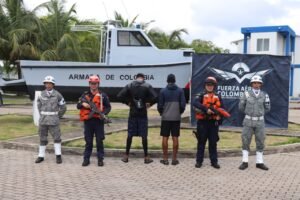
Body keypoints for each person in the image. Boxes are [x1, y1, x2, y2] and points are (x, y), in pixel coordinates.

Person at [117, 73, 157, 164]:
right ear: (143, 78)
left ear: (136, 78)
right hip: (142, 114)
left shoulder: (130, 85)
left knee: (130, 135)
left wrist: (128, 102)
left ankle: (126, 156)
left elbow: (119, 96)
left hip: (133, 113)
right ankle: (146, 157)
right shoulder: (147, 86)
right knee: (144, 136)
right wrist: (149, 104)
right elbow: (156, 97)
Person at [77, 75, 111, 167]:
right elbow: (78, 105)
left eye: (95, 84)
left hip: (98, 121)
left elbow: (108, 107)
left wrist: (103, 114)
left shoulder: (103, 95)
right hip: (88, 121)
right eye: (92, 83)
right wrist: (83, 104)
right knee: (88, 141)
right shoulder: (85, 95)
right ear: (89, 84)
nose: (93, 85)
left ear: (98, 84)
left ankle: (100, 159)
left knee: (99, 141)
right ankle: (86, 159)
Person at [238, 75, 271, 170]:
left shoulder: (265, 95)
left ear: (261, 84)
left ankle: (259, 162)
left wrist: (259, 114)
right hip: (248, 121)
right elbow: (241, 107)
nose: (256, 84)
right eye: (254, 83)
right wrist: (250, 113)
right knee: (245, 140)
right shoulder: (246, 94)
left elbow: (268, 108)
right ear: (251, 84)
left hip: (260, 122)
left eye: (258, 83)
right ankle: (245, 162)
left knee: (260, 141)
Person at [192, 76, 224, 169]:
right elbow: (195, 103)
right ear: (205, 85)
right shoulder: (201, 95)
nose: (209, 86)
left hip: (213, 124)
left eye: (211, 85)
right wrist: (206, 110)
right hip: (202, 123)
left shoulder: (218, 96)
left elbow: (223, 108)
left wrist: (219, 117)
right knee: (201, 142)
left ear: (214, 86)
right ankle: (199, 161)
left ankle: (214, 162)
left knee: (213, 143)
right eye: (208, 85)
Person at [35, 75, 66, 164]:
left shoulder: (57, 95)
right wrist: (42, 114)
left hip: (54, 121)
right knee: (42, 138)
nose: (48, 85)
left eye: (50, 83)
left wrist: (58, 116)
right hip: (43, 121)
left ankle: (58, 156)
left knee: (57, 138)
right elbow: (38, 106)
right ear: (44, 84)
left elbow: (63, 107)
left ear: (53, 85)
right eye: (46, 83)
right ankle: (41, 156)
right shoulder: (41, 94)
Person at [157, 74, 186, 165]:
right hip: (176, 118)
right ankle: (174, 159)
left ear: (167, 80)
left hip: (165, 118)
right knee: (175, 137)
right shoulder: (180, 91)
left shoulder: (163, 91)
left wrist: (162, 113)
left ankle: (165, 159)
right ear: (175, 80)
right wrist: (179, 113)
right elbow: (183, 105)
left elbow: (160, 106)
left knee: (165, 137)